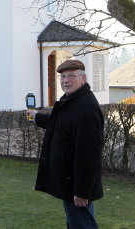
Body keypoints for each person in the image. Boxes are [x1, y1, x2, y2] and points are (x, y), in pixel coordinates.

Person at [27, 59, 104, 229]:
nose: (65, 80)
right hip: (69, 182)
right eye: (62, 76)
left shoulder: (85, 109)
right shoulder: (72, 101)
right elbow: (59, 123)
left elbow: (88, 155)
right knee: (76, 222)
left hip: (75, 185)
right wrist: (36, 116)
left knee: (81, 224)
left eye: (71, 76)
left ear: (83, 79)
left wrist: (82, 191)